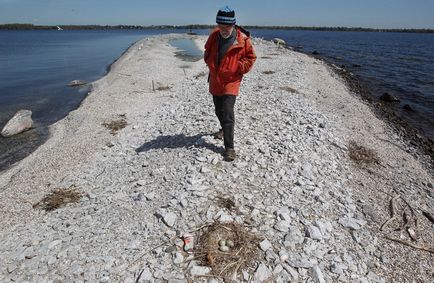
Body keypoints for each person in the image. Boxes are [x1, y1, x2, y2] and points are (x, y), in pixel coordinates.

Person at [204, 6, 257, 162]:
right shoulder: (214, 35)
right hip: (215, 79)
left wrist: (238, 68)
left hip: (231, 81)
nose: (223, 29)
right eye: (220, 26)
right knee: (218, 110)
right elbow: (207, 50)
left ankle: (229, 147)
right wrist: (209, 63)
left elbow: (251, 58)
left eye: (226, 26)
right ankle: (223, 129)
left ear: (233, 24)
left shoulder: (243, 40)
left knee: (227, 111)